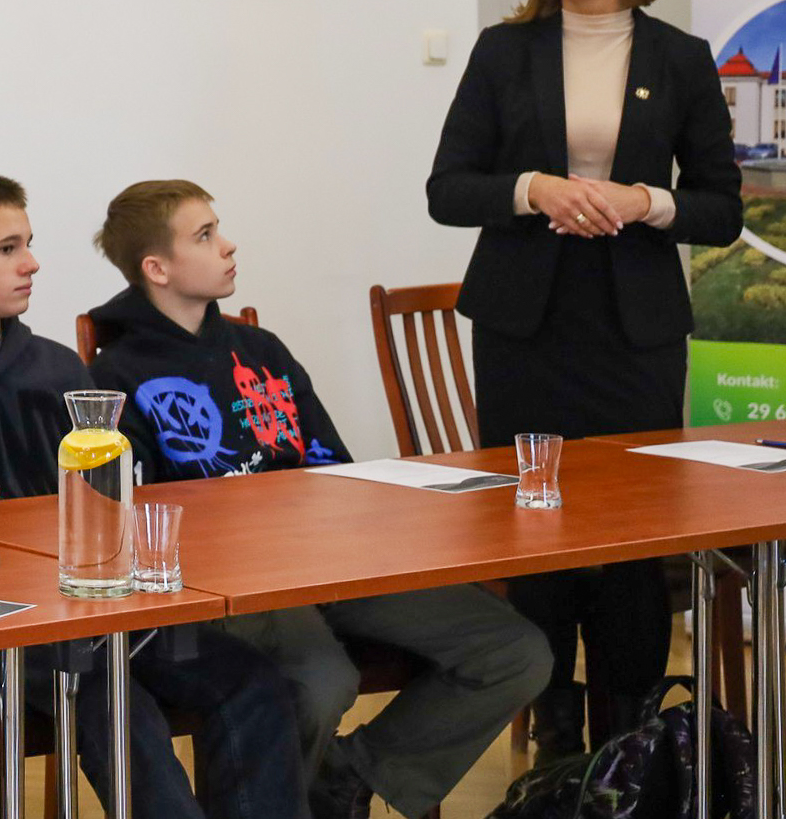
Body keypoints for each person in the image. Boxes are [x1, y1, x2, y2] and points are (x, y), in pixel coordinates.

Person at [88, 179, 549, 819]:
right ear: (157, 269)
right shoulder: (117, 374)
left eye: (219, 229)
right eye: (205, 236)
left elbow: (333, 465)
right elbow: (132, 515)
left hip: (330, 559)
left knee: (515, 652)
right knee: (322, 679)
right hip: (236, 583)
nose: (228, 245)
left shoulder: (262, 349)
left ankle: (344, 779)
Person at [0, 170, 307, 819]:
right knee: (107, 696)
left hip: (95, 614)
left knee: (252, 679)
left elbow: (112, 501)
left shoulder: (60, 368)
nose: (31, 262)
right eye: (8, 248)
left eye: (28, 243)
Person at [426, 0, 743, 757]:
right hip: (525, 327)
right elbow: (448, 189)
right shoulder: (506, 51)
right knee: (537, 527)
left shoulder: (681, 57)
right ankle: (554, 744)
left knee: (633, 540)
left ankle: (628, 747)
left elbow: (722, 207)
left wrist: (646, 201)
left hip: (635, 331)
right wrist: (535, 188)